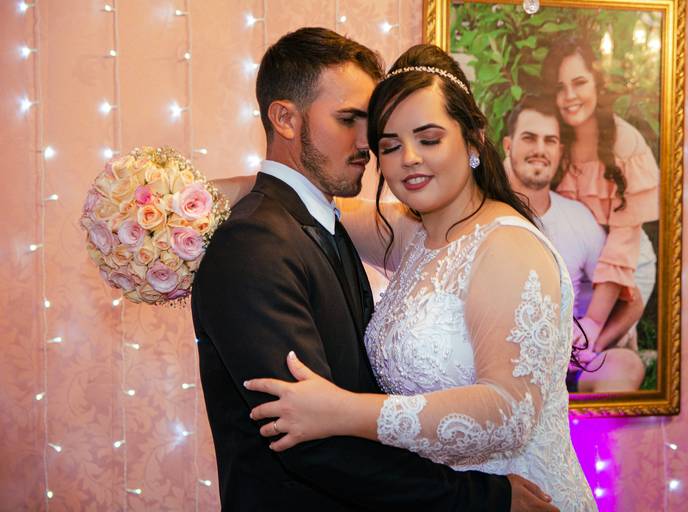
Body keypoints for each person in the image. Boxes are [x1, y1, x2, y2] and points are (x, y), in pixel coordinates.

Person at [192, 28, 554, 511]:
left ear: (472, 139)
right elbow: (309, 441)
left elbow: (508, 411)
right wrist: (181, 203)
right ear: (285, 119)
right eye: (353, 121)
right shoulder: (256, 241)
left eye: (428, 138)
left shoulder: (486, 240)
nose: (369, 144)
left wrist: (347, 411)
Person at [502, 94, 645, 392]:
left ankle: (580, 419)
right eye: (529, 138)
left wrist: (589, 343)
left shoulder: (578, 218)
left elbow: (632, 303)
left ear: (560, 151)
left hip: (566, 368)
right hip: (501, 368)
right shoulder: (488, 214)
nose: (540, 149)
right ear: (508, 146)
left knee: (627, 366)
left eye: (550, 140)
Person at [540, 35, 659, 356]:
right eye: (560, 88)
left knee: (590, 350)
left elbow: (622, 245)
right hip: (582, 262)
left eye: (579, 83)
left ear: (597, 84)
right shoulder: (556, 139)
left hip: (628, 265)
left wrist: (593, 322)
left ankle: (617, 349)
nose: (569, 96)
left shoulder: (625, 142)